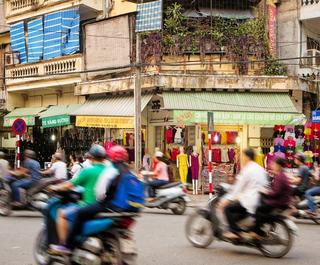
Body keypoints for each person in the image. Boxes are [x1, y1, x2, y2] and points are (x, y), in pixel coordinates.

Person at [64, 145, 129, 251]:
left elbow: (100, 192)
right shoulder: (129, 171)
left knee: (79, 213)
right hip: (123, 206)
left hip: (109, 205)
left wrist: (100, 199)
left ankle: (69, 246)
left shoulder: (110, 170)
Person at [49, 145, 107, 254]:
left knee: (62, 213)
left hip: (89, 205)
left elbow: (69, 185)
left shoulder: (88, 171)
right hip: (105, 206)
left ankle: (63, 245)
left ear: (91, 158)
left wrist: (55, 188)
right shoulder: (109, 171)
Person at [219, 148, 268, 239]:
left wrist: (228, 199)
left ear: (246, 157)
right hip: (260, 199)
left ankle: (234, 232)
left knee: (227, 209)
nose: (242, 158)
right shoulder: (260, 168)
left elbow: (238, 187)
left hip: (250, 200)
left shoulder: (247, 169)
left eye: (243, 156)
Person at [250, 157, 292, 239]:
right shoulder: (281, 175)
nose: (272, 165)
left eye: (274, 164)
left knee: (257, 208)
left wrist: (265, 191)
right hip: (282, 200)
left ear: (278, 166)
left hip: (278, 202)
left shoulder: (280, 176)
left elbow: (275, 193)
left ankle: (257, 231)